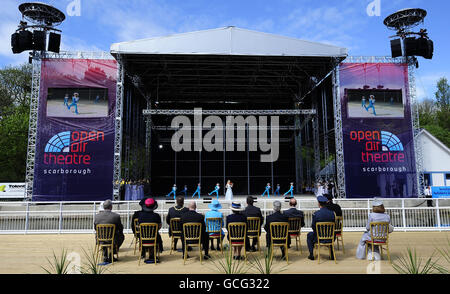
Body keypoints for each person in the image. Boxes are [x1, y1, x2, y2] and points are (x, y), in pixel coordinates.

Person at [94, 200, 125, 265]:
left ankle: (105, 256)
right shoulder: (116, 216)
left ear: (103, 207)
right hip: (112, 239)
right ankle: (111, 254)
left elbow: (95, 228)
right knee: (121, 236)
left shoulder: (97, 216)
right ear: (111, 207)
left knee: (102, 237)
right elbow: (120, 228)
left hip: (100, 239)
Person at [307, 196, 336, 261]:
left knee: (309, 235)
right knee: (331, 233)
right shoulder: (332, 213)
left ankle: (311, 254)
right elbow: (334, 225)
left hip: (319, 237)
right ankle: (331, 254)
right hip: (330, 237)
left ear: (319, 204)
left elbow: (313, 227)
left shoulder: (316, 214)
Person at [137, 198, 163, 263]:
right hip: (154, 238)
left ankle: (144, 253)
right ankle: (152, 255)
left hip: (143, 238)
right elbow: (159, 226)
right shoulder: (156, 216)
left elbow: (139, 226)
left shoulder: (140, 216)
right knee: (158, 236)